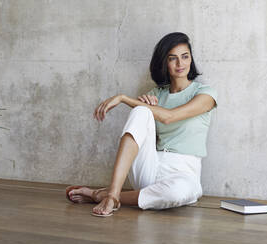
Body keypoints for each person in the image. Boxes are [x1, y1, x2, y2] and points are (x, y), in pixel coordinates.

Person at [65, 32, 217, 217]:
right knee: (140, 111)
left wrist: (123, 98)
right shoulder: (156, 94)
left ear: (191, 59)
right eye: (173, 58)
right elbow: (145, 133)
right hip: (150, 165)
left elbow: (169, 117)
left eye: (185, 56)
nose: (180, 64)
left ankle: (104, 195)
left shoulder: (205, 94)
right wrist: (145, 108)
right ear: (164, 62)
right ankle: (112, 195)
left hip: (183, 172)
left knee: (177, 193)